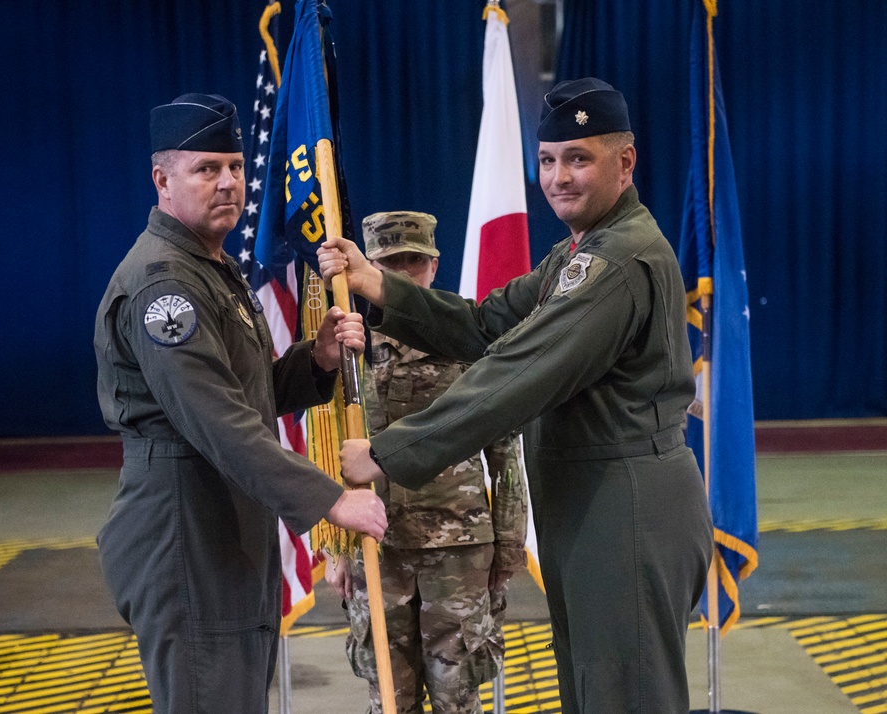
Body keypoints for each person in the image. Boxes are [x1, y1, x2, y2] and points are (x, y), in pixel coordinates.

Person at [318, 78, 713, 714]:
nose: (558, 177)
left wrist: (390, 452)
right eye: (549, 160)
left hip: (626, 504)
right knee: (595, 691)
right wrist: (381, 289)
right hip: (596, 502)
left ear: (626, 161)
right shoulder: (577, 254)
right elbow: (484, 325)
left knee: (624, 695)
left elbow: (517, 374)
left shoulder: (615, 264)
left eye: (579, 158)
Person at [93, 93, 387, 714]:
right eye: (206, 169)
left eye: (234, 166)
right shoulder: (165, 283)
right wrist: (331, 499)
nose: (227, 182)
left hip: (223, 526)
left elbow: (245, 393)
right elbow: (219, 422)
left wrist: (319, 360)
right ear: (162, 180)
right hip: (186, 529)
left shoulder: (210, 268)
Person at [325, 211, 528, 714]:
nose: (402, 273)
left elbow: (504, 453)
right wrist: (331, 548)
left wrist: (509, 545)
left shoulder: (469, 336)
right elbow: (326, 444)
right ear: (366, 266)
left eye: (413, 261)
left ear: (434, 266)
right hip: (377, 546)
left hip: (458, 550)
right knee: (389, 699)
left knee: (458, 698)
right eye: (388, 262)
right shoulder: (347, 341)